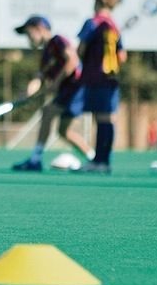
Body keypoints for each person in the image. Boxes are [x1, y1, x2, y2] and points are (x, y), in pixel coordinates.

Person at [9, 15, 95, 172]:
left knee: (48, 112)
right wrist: (27, 93)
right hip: (68, 90)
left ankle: (35, 159)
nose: (28, 39)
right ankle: (94, 158)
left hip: (76, 87)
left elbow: (73, 60)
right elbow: (39, 77)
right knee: (64, 131)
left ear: (39, 29)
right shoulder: (45, 54)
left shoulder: (58, 40)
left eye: (29, 34)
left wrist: (56, 83)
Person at [75, 0, 127, 173]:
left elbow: (80, 50)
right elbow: (122, 56)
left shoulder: (93, 23)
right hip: (111, 79)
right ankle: (103, 160)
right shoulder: (114, 26)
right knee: (107, 118)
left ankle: (99, 161)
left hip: (95, 77)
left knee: (101, 118)